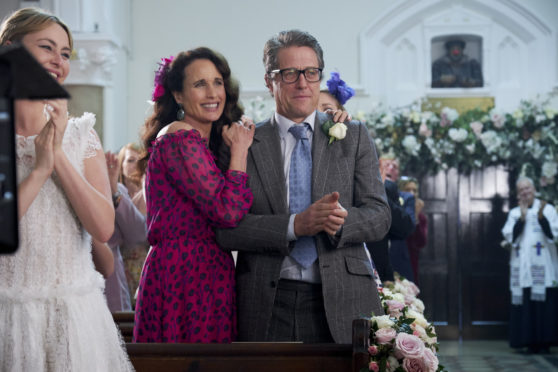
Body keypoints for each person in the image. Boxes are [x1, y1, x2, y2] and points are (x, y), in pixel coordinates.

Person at [215, 29, 391, 344]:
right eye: (290, 73)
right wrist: (296, 225)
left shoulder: (353, 135)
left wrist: (342, 220)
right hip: (266, 299)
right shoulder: (243, 142)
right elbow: (228, 230)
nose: (302, 82)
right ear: (270, 81)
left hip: (342, 296)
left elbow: (380, 216)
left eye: (311, 73)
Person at [0, 8, 133, 371]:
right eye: (46, 47)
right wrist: (40, 169)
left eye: (65, 53)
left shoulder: (81, 135)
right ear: (11, 51)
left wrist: (56, 154)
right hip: (7, 317)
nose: (58, 61)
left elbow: (104, 228)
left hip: (74, 317)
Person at [133, 47, 255, 343]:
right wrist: (240, 151)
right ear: (177, 95)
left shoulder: (205, 142)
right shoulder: (178, 136)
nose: (213, 93)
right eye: (200, 84)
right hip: (183, 274)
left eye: (217, 82)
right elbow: (227, 211)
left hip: (210, 272)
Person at [502, 177, 558, 354]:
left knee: (544, 303)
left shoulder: (548, 209)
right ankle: (526, 341)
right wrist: (523, 217)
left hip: (543, 263)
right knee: (526, 302)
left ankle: (545, 341)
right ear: (518, 194)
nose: (525, 192)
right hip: (523, 265)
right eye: (521, 190)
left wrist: (541, 217)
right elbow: (510, 236)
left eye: (527, 188)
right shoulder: (515, 213)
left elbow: (554, 235)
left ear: (534, 189)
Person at [103, 147, 147, 312]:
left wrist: (113, 190)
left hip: (112, 281)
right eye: (130, 160)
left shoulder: (119, 190)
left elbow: (138, 233)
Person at [379, 154, 416, 282]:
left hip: (397, 256)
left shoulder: (406, 197)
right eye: (387, 164)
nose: (390, 168)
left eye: (394, 166)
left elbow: (408, 226)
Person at [399, 176, 428, 284]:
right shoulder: (395, 211)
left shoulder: (421, 217)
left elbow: (421, 242)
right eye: (407, 190)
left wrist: (415, 215)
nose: (412, 193)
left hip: (411, 260)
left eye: (414, 190)